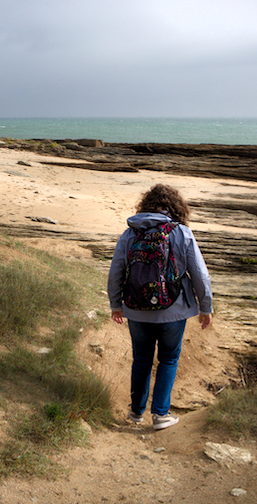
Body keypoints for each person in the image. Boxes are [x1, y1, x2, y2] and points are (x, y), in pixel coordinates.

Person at [107, 183, 213, 430]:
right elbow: (200, 275)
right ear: (176, 208)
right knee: (168, 359)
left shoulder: (129, 233)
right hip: (173, 310)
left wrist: (116, 304)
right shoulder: (182, 233)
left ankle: (135, 413)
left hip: (136, 308)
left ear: (145, 206)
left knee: (141, 360)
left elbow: (116, 272)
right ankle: (161, 415)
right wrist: (206, 307)